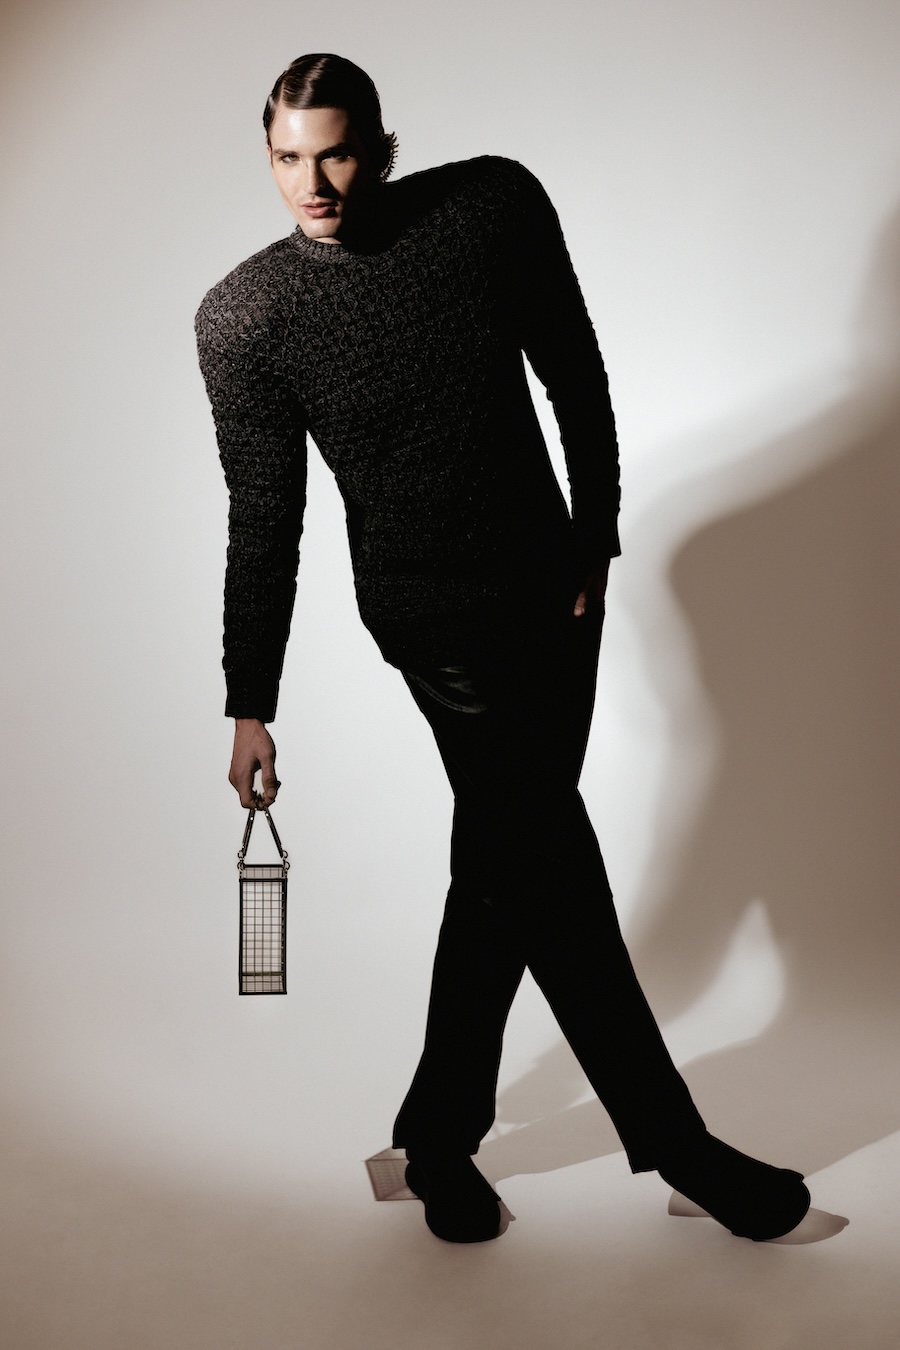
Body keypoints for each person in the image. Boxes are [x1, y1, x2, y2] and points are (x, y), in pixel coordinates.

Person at [195, 52, 812, 1245]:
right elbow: (265, 517)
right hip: (433, 622)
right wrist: (249, 700)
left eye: (335, 153)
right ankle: (680, 1147)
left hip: (553, 593)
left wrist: (597, 534)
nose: (312, 184)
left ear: (380, 146)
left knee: (505, 864)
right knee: (553, 866)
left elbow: (573, 369)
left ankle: (436, 1139)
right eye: (286, 158)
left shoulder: (489, 208)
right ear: (266, 157)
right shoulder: (248, 319)